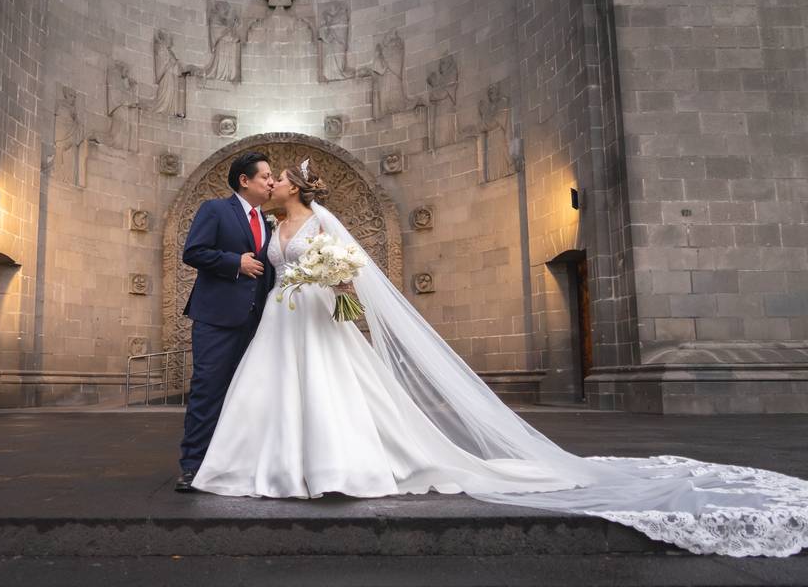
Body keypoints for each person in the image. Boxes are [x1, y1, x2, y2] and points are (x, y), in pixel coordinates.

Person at [188, 160, 808, 558]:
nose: (271, 186)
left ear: (296, 188)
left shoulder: (320, 227)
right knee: (267, 395)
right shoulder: (266, 231)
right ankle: (260, 466)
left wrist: (341, 290)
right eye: (266, 180)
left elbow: (348, 274)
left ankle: (334, 466)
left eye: (278, 180)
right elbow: (259, 272)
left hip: (318, 319)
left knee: (331, 391)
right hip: (279, 322)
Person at [174, 151, 275, 492]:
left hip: (257, 321)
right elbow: (194, 251)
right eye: (266, 176)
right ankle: (193, 466)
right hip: (216, 318)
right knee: (208, 389)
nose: (271, 182)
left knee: (248, 395)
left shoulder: (269, 222)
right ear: (244, 181)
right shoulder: (215, 209)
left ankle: (237, 463)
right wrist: (235, 262)